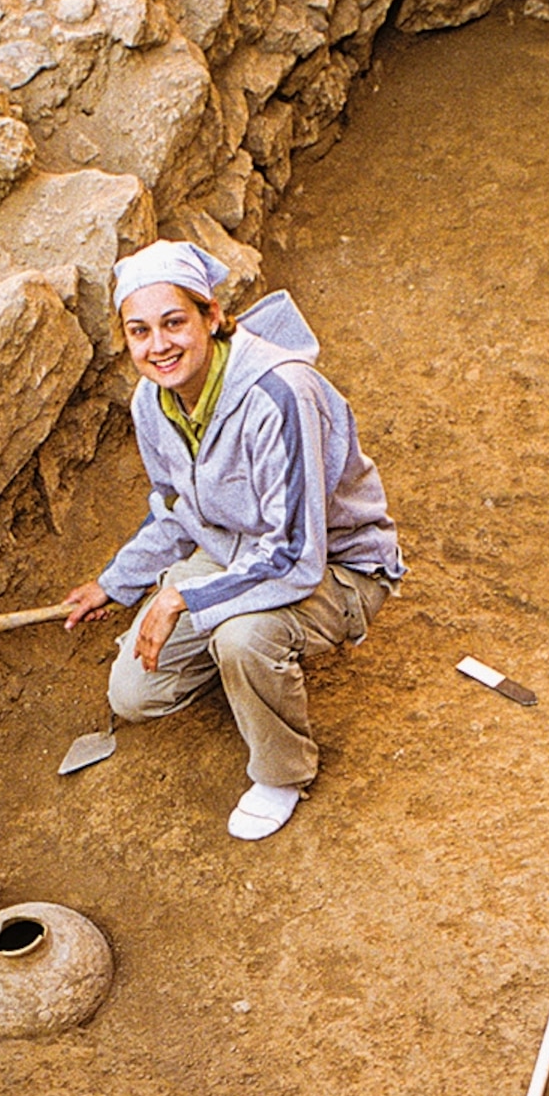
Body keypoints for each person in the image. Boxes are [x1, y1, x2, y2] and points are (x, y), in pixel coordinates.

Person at [60, 240, 403, 840]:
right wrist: (115, 584)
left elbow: (298, 554)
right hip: (234, 553)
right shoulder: (153, 400)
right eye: (139, 331)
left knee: (244, 635)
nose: (158, 345)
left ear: (211, 316)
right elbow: (173, 509)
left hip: (335, 567)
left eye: (174, 322)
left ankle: (281, 772)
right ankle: (243, 665)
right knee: (135, 694)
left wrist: (182, 600)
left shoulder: (281, 395)